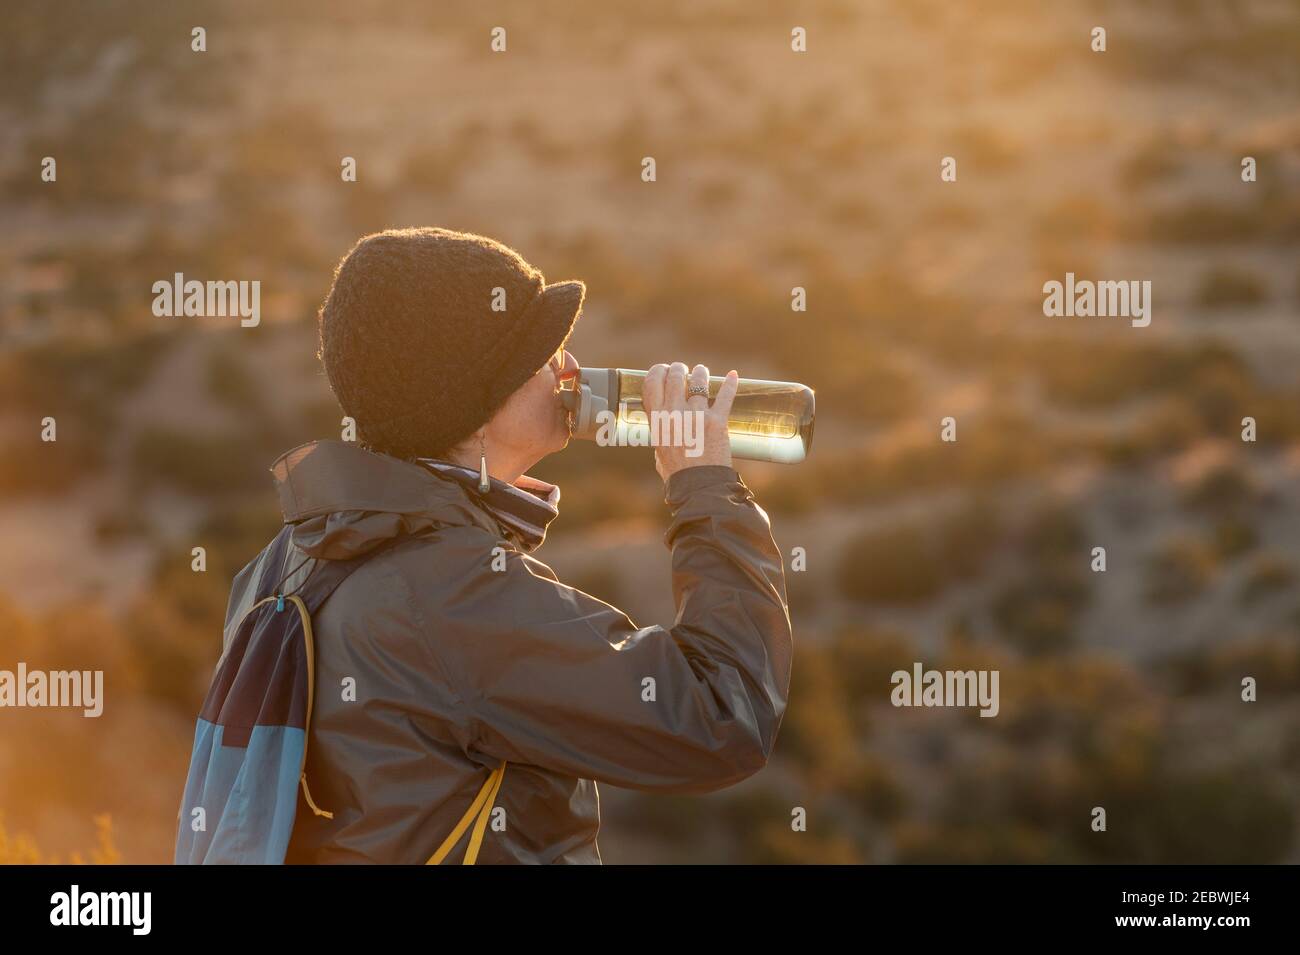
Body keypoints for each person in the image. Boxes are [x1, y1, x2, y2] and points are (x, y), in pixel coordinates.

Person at [229, 226, 792, 863]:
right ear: (472, 399)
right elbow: (722, 716)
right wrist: (705, 487)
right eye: (541, 353)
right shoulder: (450, 598)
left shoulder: (284, 561)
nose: (569, 368)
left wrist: (484, 506)